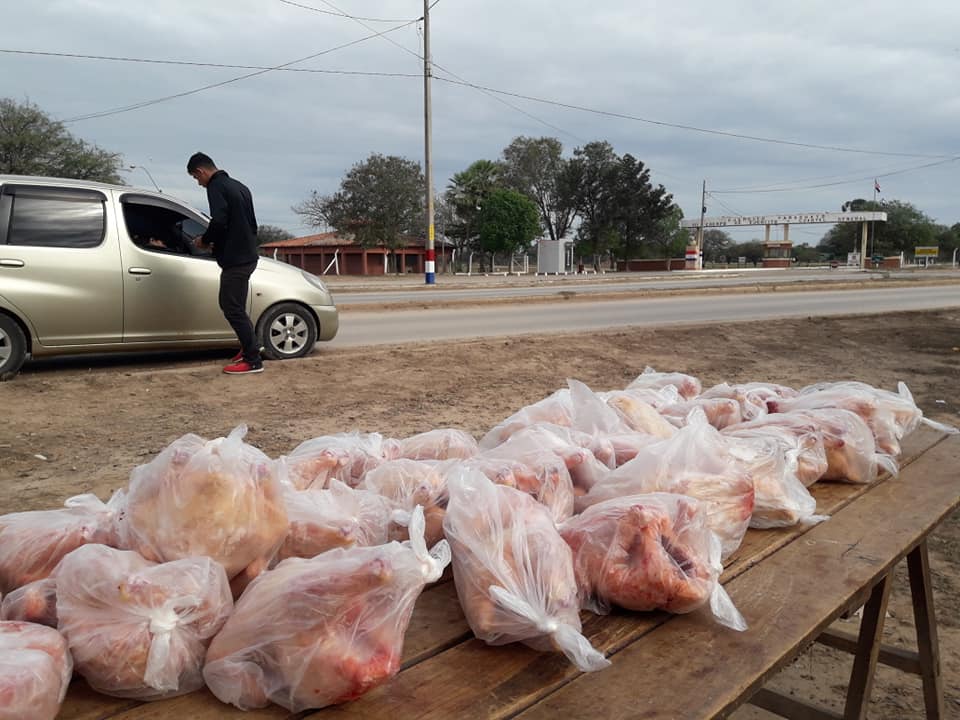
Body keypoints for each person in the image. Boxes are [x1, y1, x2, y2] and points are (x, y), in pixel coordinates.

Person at [186, 152, 263, 375]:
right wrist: (225, 244)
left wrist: (204, 240)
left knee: (231, 307)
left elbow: (219, 221)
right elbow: (251, 225)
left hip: (236, 261)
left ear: (201, 171)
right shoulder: (240, 186)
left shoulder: (216, 187)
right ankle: (250, 347)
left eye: (195, 178)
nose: (198, 183)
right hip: (247, 256)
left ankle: (253, 360)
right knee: (236, 306)